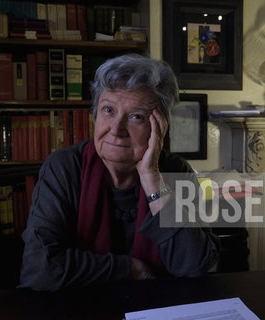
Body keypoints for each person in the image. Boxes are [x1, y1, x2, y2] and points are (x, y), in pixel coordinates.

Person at [19, 53, 220, 292]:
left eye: (136, 116)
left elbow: (196, 266)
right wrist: (130, 269)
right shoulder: (64, 168)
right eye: (108, 110)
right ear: (94, 114)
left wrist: (152, 179)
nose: (116, 129)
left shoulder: (177, 171)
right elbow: (39, 270)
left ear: (161, 126)